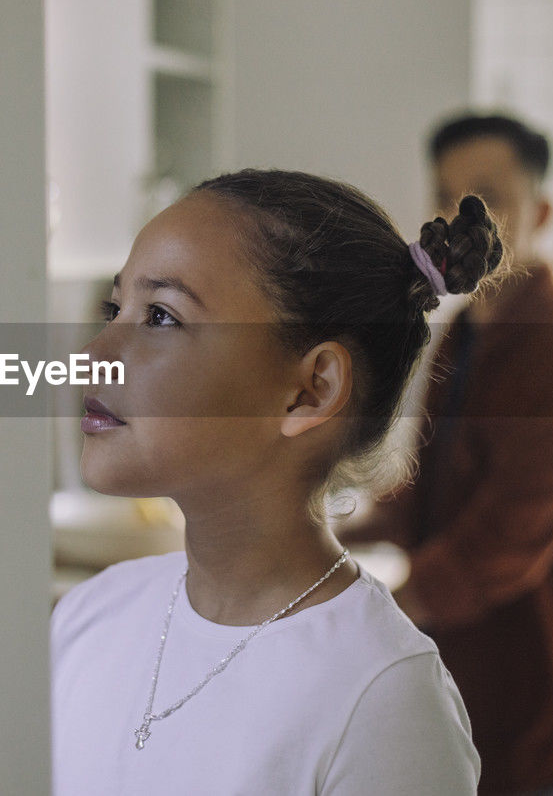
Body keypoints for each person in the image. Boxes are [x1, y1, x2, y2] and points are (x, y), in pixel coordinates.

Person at [50, 169, 503, 794]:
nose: (95, 351)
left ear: (310, 390)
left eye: (159, 316)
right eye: (114, 308)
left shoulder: (383, 700)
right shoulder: (88, 618)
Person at [343, 113, 553, 796]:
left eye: (486, 196)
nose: (461, 217)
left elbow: (498, 544)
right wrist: (319, 527)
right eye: (446, 195)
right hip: (466, 694)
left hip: (539, 717)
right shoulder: (465, 331)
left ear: (544, 209)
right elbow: (431, 489)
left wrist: (359, 624)